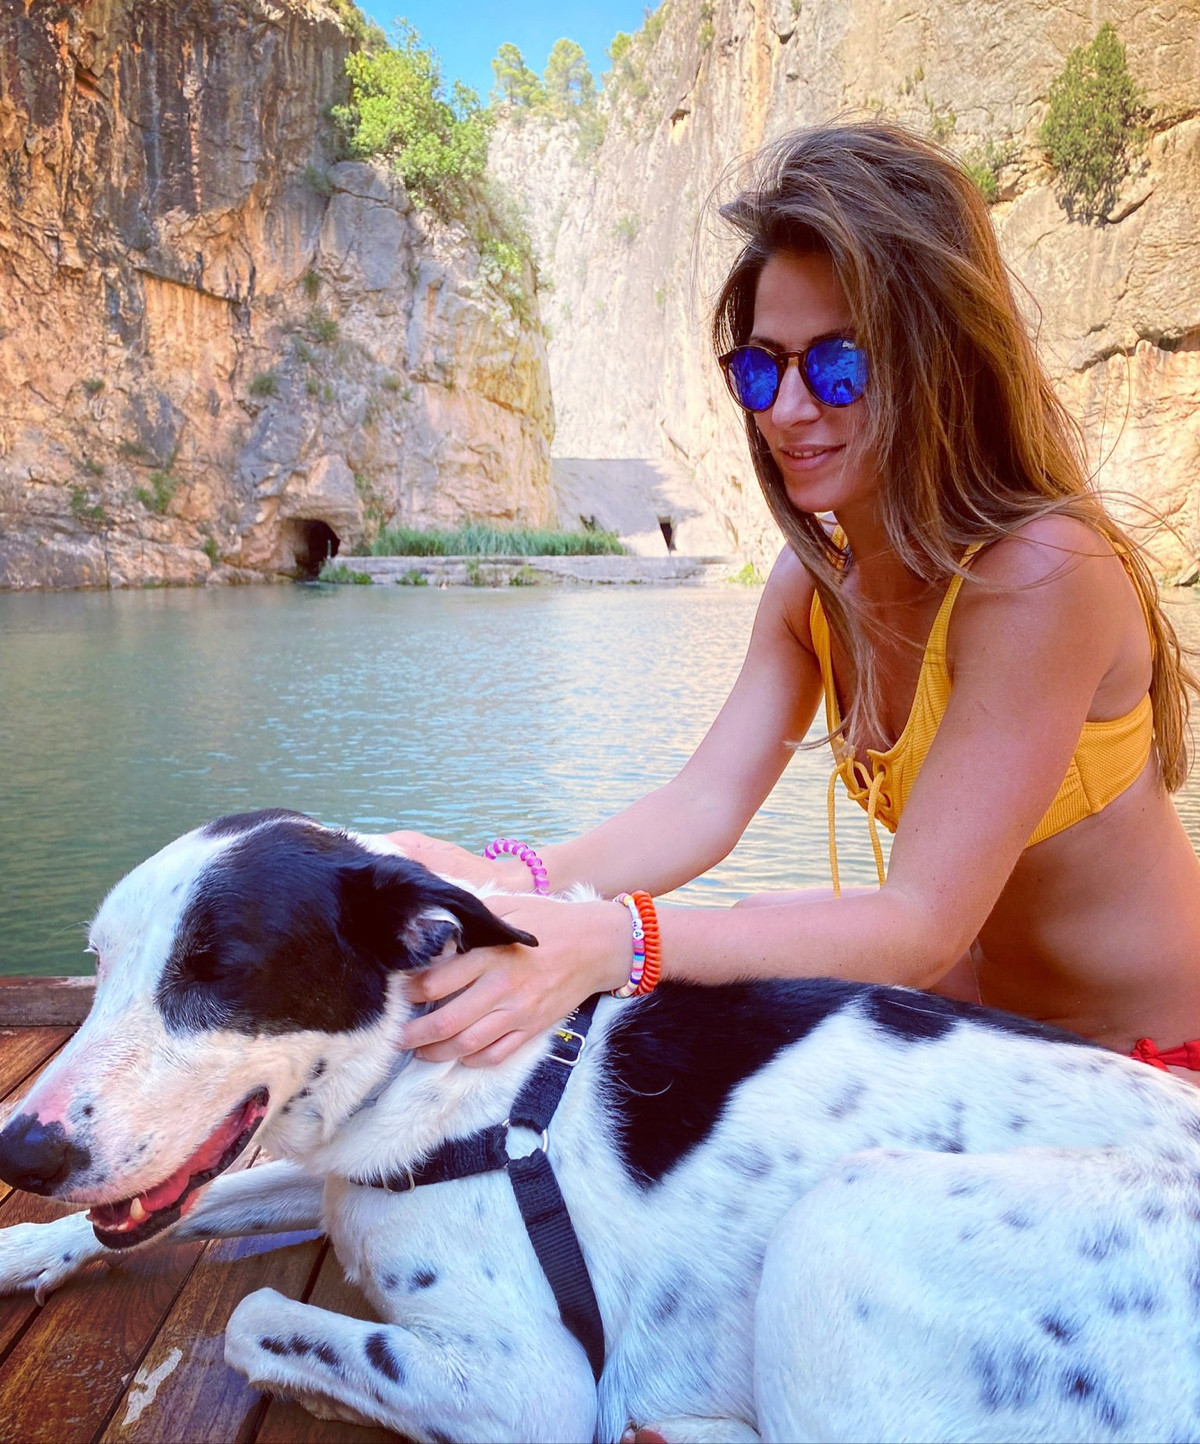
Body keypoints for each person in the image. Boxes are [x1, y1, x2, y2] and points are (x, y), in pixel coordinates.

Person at [390, 121, 1200, 1079]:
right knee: (748, 934)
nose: (787, 408)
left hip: (1151, 1062)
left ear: (940, 362)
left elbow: (920, 926)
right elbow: (702, 805)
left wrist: (613, 941)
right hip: (992, 1034)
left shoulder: (1040, 578)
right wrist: (514, 880)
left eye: (840, 365)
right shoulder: (814, 587)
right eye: (761, 366)